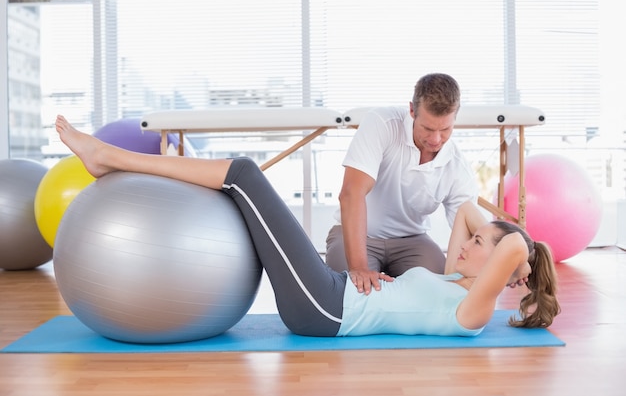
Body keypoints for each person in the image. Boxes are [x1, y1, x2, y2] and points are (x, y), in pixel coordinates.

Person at [55, 114, 560, 338]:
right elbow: (472, 214)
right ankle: (120, 161)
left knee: (243, 176)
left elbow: (512, 249)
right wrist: (492, 240)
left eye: (476, 244)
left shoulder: (473, 312)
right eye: (471, 240)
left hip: (326, 310)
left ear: (499, 266)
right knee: (242, 186)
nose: (467, 240)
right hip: (335, 291)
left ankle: (109, 158)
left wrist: (517, 256)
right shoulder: (456, 280)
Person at [325, 73, 480, 295]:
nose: (436, 140)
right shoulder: (382, 123)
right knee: (354, 294)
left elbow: (472, 232)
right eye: (427, 128)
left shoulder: (457, 167)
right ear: (412, 110)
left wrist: (509, 263)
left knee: (443, 294)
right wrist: (359, 268)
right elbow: (351, 193)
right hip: (362, 236)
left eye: (445, 130)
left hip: (413, 241)